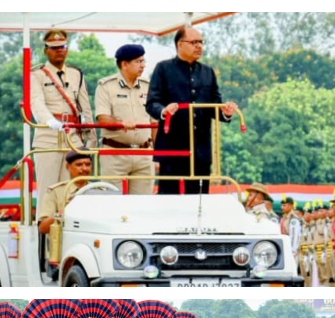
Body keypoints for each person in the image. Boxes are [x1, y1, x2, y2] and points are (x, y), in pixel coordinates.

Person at [146, 26, 238, 194]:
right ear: (180, 45)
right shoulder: (163, 69)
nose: (199, 47)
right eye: (194, 42)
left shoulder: (207, 72)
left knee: (199, 199)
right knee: (169, 196)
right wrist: (164, 110)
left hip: (200, 149)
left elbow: (215, 105)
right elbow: (152, 103)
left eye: (201, 42)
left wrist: (226, 112)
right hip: (172, 147)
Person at [29, 30, 94, 192]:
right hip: (48, 137)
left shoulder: (76, 73)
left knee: (74, 190)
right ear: (46, 50)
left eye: (62, 46)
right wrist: (51, 122)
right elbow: (36, 103)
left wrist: (92, 138)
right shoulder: (36, 74)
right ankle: (45, 218)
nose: (59, 50)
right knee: (48, 190)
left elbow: (85, 107)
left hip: (73, 137)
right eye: (54, 47)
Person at [95, 44, 154, 194]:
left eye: (143, 61)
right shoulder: (106, 86)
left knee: (143, 205)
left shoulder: (149, 86)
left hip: (144, 153)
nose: (143, 65)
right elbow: (103, 119)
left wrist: (156, 153)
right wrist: (121, 124)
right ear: (125, 64)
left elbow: (155, 122)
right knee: (112, 203)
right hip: (114, 153)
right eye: (138, 61)